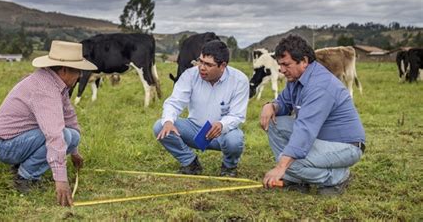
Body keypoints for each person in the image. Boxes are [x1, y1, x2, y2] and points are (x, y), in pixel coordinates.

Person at [0, 40, 97, 206]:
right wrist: (61, 180)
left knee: (72, 135)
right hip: (4, 145)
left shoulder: (57, 84)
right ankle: (24, 177)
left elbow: (69, 118)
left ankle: (23, 166)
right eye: (78, 70)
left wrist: (74, 152)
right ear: (64, 70)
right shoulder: (45, 89)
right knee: (63, 135)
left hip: (18, 140)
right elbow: (54, 135)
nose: (81, 75)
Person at [260, 35, 365, 195]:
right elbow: (284, 102)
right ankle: (297, 179)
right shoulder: (296, 79)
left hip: (346, 146)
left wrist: (282, 166)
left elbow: (305, 130)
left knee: (289, 163)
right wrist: (271, 105)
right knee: (276, 123)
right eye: (279, 65)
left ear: (304, 61)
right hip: (321, 139)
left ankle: (337, 176)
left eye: (286, 64)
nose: (281, 70)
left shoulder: (320, 86)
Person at [154, 40, 249, 177]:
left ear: (222, 66)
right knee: (160, 126)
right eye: (201, 61)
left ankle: (229, 167)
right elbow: (174, 102)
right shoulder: (190, 75)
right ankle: (190, 163)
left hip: (222, 132)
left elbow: (237, 115)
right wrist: (168, 121)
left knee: (235, 140)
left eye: (208, 65)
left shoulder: (239, 80)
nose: (202, 68)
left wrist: (222, 125)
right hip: (194, 130)